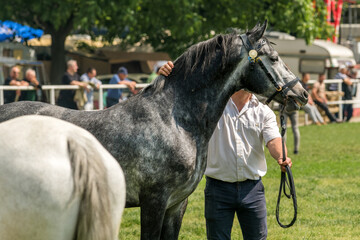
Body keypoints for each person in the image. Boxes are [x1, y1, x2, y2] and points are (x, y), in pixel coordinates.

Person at [159, 61, 292, 240]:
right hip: (218, 189)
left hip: (252, 190)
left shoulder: (263, 112)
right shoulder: (210, 107)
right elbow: (179, 98)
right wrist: (167, 77)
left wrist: (282, 156)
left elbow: (273, 140)